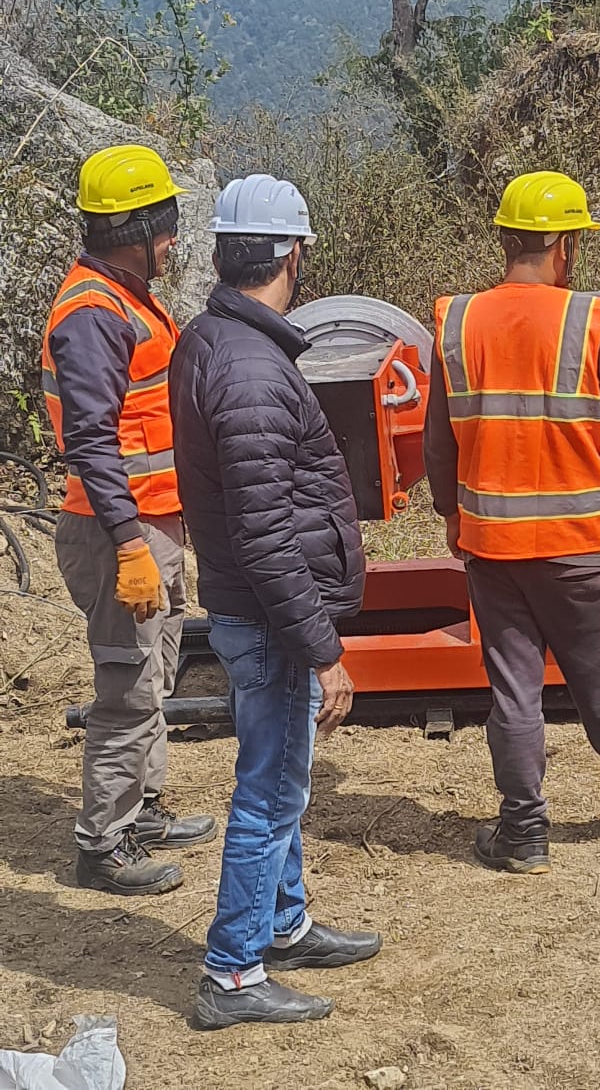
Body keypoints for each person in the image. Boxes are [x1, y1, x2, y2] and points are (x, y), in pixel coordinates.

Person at [423, 170, 600, 875]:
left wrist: (452, 516)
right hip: (578, 548)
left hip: (493, 548)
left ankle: (523, 834)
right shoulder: (589, 320)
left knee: (513, 692)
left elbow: (437, 443)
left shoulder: (454, 320)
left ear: (507, 240)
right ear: (565, 245)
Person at [169, 174, 381, 1029]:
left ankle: (283, 923)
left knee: (280, 775)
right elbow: (263, 534)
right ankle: (232, 973)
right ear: (290, 255)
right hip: (266, 616)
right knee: (269, 790)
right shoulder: (253, 369)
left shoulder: (212, 341)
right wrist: (322, 649)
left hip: (251, 605)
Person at [41, 145, 216, 898]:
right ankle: (102, 844)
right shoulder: (92, 314)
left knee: (153, 674)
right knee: (125, 687)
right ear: (139, 227)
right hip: (121, 532)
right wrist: (128, 546)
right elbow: (91, 440)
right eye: (170, 224)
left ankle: (141, 811)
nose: (175, 241)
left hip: (152, 527)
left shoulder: (127, 295)